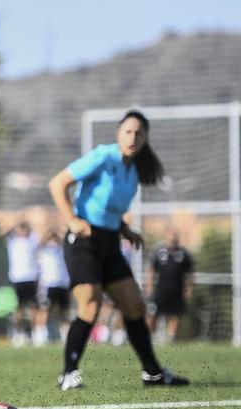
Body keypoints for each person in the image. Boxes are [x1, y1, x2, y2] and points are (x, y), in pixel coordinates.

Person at [48, 109, 189, 391]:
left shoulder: (135, 169)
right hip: (83, 242)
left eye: (138, 133)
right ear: (118, 134)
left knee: (134, 304)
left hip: (110, 240)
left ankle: (153, 373)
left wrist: (126, 230)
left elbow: (109, 208)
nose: (133, 136)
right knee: (90, 305)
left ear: (146, 137)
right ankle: (68, 374)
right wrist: (73, 221)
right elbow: (57, 183)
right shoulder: (104, 156)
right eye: (128, 131)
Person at [146, 228, 194, 343]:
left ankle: (171, 337)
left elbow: (190, 274)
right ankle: (151, 337)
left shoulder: (184, 254)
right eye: (171, 235)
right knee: (153, 313)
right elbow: (151, 270)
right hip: (160, 289)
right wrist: (149, 286)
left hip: (177, 289)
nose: (173, 238)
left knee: (175, 314)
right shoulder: (159, 252)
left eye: (175, 236)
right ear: (166, 237)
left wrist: (189, 289)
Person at [5, 222, 40, 347]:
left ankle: (35, 334)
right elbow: (1, 231)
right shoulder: (13, 241)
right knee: (19, 308)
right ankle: (17, 333)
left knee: (33, 308)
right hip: (18, 278)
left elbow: (42, 233)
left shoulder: (32, 240)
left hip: (31, 277)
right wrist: (16, 220)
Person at [33, 230, 71, 345]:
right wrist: (47, 235)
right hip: (48, 285)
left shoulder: (62, 250)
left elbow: (67, 240)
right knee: (44, 309)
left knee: (63, 311)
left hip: (62, 284)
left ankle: (66, 336)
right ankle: (40, 335)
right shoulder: (44, 250)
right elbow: (38, 246)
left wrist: (58, 235)